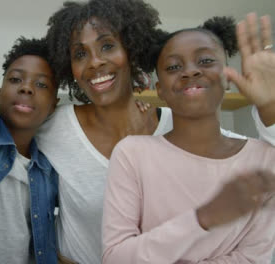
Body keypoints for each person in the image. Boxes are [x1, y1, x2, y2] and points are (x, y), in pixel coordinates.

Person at [35, 1, 275, 263]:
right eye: (79, 54)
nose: (94, 62)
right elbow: (6, 137)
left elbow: (245, 155)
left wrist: (269, 105)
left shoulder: (182, 122)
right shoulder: (54, 128)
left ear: (131, 50)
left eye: (107, 46)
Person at [102, 14, 275, 263]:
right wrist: (204, 217)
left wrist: (270, 105)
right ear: (159, 89)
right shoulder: (132, 153)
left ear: (227, 77)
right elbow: (116, 258)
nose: (191, 71)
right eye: (173, 67)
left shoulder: (264, 158)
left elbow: (253, 259)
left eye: (205, 61)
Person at [0, 37, 59, 264]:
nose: (26, 87)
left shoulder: (46, 169)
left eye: (41, 84)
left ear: (53, 105)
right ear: (0, 94)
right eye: (15, 79)